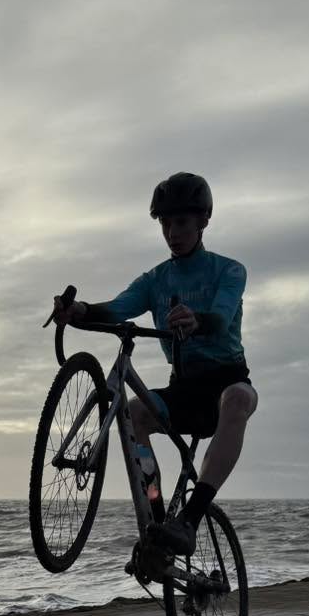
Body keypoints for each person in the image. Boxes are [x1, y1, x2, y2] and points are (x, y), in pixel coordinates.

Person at [51, 172, 257, 558]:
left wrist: (197, 319)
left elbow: (221, 315)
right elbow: (114, 309)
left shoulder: (229, 270)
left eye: (180, 222)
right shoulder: (156, 280)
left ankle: (190, 522)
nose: (172, 232)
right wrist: (76, 311)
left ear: (203, 222)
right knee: (132, 415)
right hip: (183, 390)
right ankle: (159, 518)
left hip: (226, 383)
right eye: (165, 223)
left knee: (239, 401)